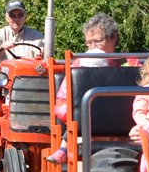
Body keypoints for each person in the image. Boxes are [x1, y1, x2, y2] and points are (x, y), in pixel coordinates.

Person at [48, 13, 130, 163]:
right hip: (88, 124)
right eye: (89, 43)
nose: (92, 47)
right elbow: (62, 101)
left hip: (123, 125)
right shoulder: (80, 65)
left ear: (113, 38)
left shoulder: (128, 64)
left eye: (97, 41)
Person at [0, 0, 44, 119]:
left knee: (51, 84)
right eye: (12, 15)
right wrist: (2, 47)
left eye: (20, 15)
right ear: (7, 17)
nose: (16, 19)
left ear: (25, 17)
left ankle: (45, 121)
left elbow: (44, 55)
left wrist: (44, 52)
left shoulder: (36, 36)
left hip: (30, 78)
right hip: (4, 78)